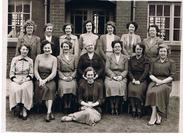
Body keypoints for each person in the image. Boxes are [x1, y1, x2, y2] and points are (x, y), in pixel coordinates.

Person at [145, 43, 176, 126]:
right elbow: (150, 74)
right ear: (158, 52)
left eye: (164, 51)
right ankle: (156, 114)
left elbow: (172, 76)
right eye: (161, 51)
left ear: (167, 52)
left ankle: (154, 116)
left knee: (156, 92)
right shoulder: (154, 61)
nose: (162, 53)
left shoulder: (171, 62)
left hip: (166, 83)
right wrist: (157, 81)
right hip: (155, 81)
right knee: (150, 92)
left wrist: (162, 82)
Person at [34, 40, 57, 122]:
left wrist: (46, 80)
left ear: (51, 49)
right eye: (45, 48)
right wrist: (40, 79)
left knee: (50, 88)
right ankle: (50, 112)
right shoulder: (38, 57)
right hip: (39, 78)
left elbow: (54, 73)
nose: (47, 49)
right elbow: (35, 70)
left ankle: (48, 112)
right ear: (43, 48)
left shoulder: (54, 58)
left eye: (48, 48)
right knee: (44, 88)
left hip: (49, 79)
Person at [9, 44, 33, 120]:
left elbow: (31, 73)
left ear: (28, 51)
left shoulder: (30, 60)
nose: (24, 51)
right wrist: (16, 80)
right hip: (16, 78)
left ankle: (24, 109)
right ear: (20, 50)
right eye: (23, 49)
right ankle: (18, 106)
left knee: (24, 88)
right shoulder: (14, 59)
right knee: (15, 88)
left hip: (26, 79)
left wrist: (25, 80)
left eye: (26, 50)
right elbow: (11, 73)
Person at [105, 40, 128, 115]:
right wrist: (113, 76)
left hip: (121, 76)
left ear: (121, 48)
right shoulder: (109, 57)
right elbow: (107, 68)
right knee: (110, 85)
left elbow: (126, 70)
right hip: (111, 76)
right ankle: (112, 106)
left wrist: (121, 76)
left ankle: (117, 106)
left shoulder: (125, 57)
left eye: (119, 47)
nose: (117, 48)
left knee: (119, 86)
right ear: (113, 48)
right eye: (115, 47)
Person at [128, 42, 150, 118]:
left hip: (142, 79)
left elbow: (146, 72)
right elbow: (129, 71)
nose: (138, 51)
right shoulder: (131, 59)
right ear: (135, 50)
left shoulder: (146, 60)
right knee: (131, 89)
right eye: (137, 49)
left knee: (138, 90)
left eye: (140, 49)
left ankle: (139, 108)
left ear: (142, 50)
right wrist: (132, 79)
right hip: (133, 79)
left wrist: (139, 80)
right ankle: (134, 108)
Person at [57, 41, 77, 114]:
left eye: (67, 47)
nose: (65, 48)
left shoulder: (74, 56)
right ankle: (65, 105)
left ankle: (70, 105)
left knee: (73, 86)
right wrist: (63, 77)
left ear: (70, 48)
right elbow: (58, 69)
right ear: (62, 48)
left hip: (71, 75)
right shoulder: (59, 57)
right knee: (63, 86)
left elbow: (76, 69)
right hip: (63, 76)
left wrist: (72, 77)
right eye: (64, 47)